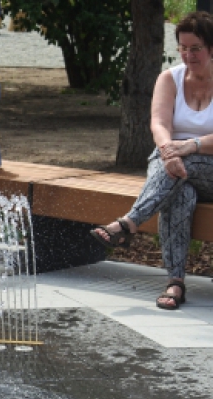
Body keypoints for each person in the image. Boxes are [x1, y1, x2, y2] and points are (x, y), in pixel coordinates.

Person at [89, 11, 213, 311]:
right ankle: (175, 282)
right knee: (180, 194)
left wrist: (188, 146)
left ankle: (128, 224)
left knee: (182, 167)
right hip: (173, 166)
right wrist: (169, 151)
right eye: (182, 47)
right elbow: (158, 123)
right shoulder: (170, 78)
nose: (187, 54)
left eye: (195, 48)